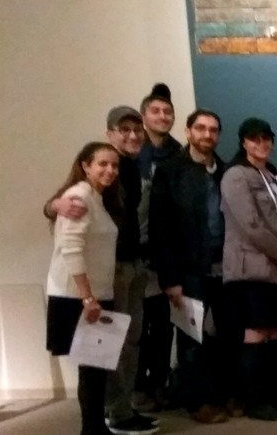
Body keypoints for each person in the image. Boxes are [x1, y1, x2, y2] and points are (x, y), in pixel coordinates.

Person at [47, 107, 157, 435]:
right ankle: (113, 416)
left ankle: (114, 414)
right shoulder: (80, 194)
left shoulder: (115, 182)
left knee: (113, 351)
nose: (110, 169)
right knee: (103, 356)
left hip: (121, 274)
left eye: (137, 129)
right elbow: (70, 242)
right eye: (124, 129)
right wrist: (53, 205)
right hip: (92, 288)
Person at [148, 109, 233, 424]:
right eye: (201, 128)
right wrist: (170, 279)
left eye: (213, 129)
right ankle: (197, 402)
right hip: (188, 270)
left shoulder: (226, 171)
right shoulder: (170, 171)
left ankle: (221, 394)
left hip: (225, 267)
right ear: (188, 132)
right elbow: (160, 229)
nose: (207, 134)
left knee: (225, 334)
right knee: (191, 339)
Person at [221, 118, 277, 422]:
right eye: (255, 139)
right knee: (257, 333)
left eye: (266, 138)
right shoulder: (236, 175)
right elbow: (250, 224)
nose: (261, 144)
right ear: (243, 142)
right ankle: (256, 401)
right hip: (251, 268)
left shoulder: (276, 175)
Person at [45, 143, 122, 435]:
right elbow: (71, 249)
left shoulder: (96, 197)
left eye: (114, 165)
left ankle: (94, 428)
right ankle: (92, 429)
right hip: (78, 296)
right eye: (102, 164)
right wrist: (87, 297)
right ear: (85, 166)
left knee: (95, 368)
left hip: (96, 294)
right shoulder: (78, 196)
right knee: (92, 369)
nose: (110, 170)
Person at [134, 84, 181, 414]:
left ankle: (160, 384)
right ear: (144, 116)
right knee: (137, 326)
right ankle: (138, 386)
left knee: (165, 326)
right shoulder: (130, 154)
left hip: (166, 254)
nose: (162, 116)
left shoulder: (179, 154)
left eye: (167, 111)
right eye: (156, 111)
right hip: (133, 253)